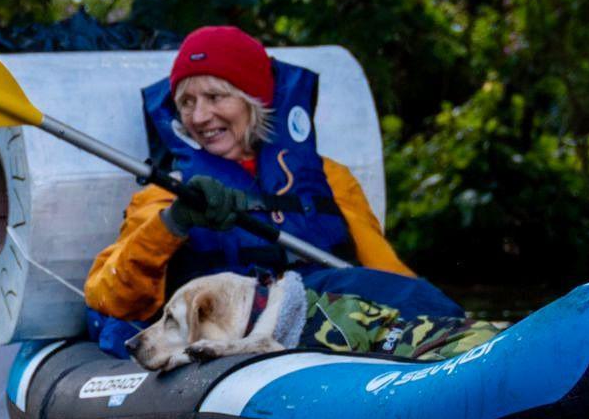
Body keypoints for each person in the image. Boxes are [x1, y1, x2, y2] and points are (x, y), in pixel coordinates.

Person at [84, 25, 491, 360]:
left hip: (318, 322)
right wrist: (176, 221)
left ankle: (465, 347)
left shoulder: (332, 179)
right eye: (186, 102)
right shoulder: (167, 195)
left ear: (253, 102)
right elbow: (108, 295)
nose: (199, 117)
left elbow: (387, 276)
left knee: (407, 296)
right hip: (225, 343)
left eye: (215, 96)